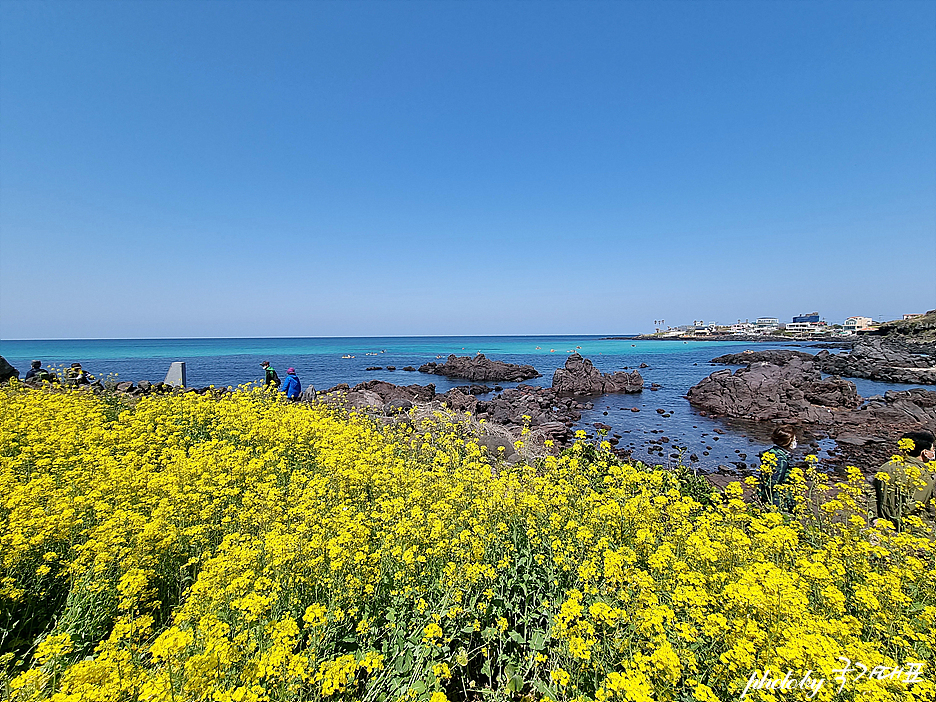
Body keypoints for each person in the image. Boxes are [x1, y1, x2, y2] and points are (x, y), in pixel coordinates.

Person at [874, 431, 936, 531]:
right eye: (932, 449)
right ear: (924, 452)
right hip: (909, 529)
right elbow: (920, 508)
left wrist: (874, 518)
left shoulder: (886, 467)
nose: (933, 452)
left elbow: (873, 494)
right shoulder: (924, 476)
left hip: (884, 524)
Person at [758, 425, 798, 510]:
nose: (795, 442)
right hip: (778, 497)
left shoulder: (772, 453)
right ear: (787, 442)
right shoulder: (780, 460)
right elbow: (774, 482)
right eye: (794, 440)